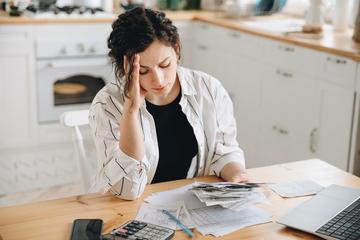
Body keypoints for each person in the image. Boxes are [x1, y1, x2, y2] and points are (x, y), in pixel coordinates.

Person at [89, 7, 248, 200]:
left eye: (165, 65)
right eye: (143, 71)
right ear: (125, 68)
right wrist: (131, 111)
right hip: (126, 209)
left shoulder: (209, 89)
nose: (158, 79)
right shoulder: (108, 104)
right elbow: (126, 190)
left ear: (177, 49)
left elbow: (223, 152)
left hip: (186, 204)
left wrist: (237, 175)